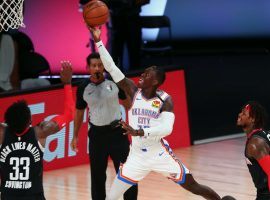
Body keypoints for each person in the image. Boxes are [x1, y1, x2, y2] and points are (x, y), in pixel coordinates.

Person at [90, 27, 234, 200]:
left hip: (158, 153)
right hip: (136, 157)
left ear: (156, 81)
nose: (142, 74)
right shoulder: (132, 90)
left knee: (193, 186)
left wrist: (139, 132)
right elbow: (111, 67)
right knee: (112, 197)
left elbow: (167, 128)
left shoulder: (165, 100)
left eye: (147, 73)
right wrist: (98, 41)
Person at [0, 62, 74, 200]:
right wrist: (67, 84)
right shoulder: (40, 132)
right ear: (29, 121)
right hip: (33, 195)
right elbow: (69, 114)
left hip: (8, 195)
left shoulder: (3, 133)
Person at [70, 52, 138, 200]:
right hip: (97, 136)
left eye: (100, 65)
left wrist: (125, 88)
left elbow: (127, 105)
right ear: (88, 68)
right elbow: (79, 113)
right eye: (94, 65)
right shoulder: (83, 88)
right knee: (98, 177)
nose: (97, 68)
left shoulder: (114, 82)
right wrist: (74, 136)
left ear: (104, 67)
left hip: (117, 134)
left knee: (127, 173)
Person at [237, 101, 270, 200]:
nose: (239, 114)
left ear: (252, 119)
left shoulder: (255, 144)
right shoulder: (263, 134)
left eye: (244, 113)